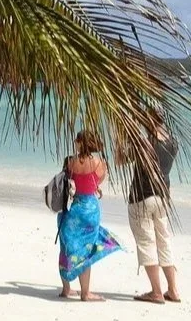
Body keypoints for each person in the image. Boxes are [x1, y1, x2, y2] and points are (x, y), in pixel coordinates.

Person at [123, 110, 181, 304]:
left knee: (147, 242)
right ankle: (173, 290)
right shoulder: (173, 143)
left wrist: (122, 139)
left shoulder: (144, 143)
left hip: (142, 196)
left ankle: (156, 292)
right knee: (164, 241)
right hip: (163, 196)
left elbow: (121, 159)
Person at [58, 130, 122, 301]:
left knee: (67, 246)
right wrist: (93, 186)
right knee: (86, 250)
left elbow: (67, 182)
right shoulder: (99, 163)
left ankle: (66, 289)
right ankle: (85, 293)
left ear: (81, 142)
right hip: (91, 209)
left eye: (77, 140)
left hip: (75, 207)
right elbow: (96, 182)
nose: (74, 141)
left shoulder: (70, 162)